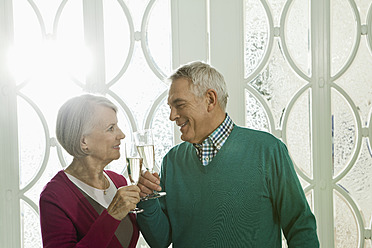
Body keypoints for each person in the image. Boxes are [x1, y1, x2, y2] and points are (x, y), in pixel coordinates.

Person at [136, 61, 320, 247]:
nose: (172, 116)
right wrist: (147, 199)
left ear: (210, 100)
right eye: (170, 107)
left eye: (180, 105)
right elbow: (160, 241)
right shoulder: (172, 161)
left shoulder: (268, 150)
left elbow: (300, 226)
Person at [39, 94, 141, 248]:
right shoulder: (54, 196)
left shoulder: (119, 181)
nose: (121, 135)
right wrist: (111, 216)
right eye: (111, 128)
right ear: (84, 141)